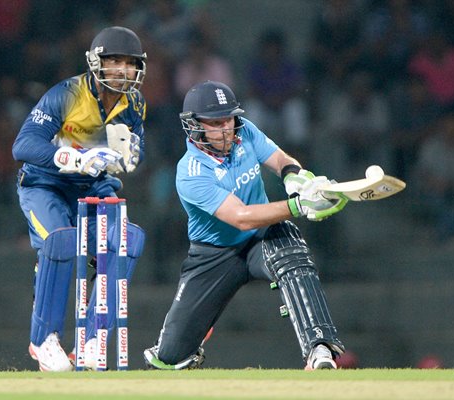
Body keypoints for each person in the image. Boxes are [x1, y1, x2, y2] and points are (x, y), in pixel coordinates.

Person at [143, 81, 348, 370]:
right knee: (171, 356)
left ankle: (320, 349)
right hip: (214, 254)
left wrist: (295, 179)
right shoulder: (191, 172)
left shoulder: (245, 131)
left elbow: (280, 159)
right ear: (194, 126)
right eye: (215, 122)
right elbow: (240, 216)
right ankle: (191, 335)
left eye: (228, 119)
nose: (225, 128)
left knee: (293, 256)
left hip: (262, 236)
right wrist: (298, 205)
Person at [12, 26, 147, 372]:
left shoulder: (135, 103)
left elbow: (133, 148)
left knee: (129, 240)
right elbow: (23, 146)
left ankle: (91, 339)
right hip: (46, 184)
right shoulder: (67, 94)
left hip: (92, 186)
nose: (121, 69)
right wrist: (72, 157)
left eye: (129, 63)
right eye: (113, 60)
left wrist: (132, 153)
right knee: (61, 241)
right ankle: (44, 341)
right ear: (95, 62)